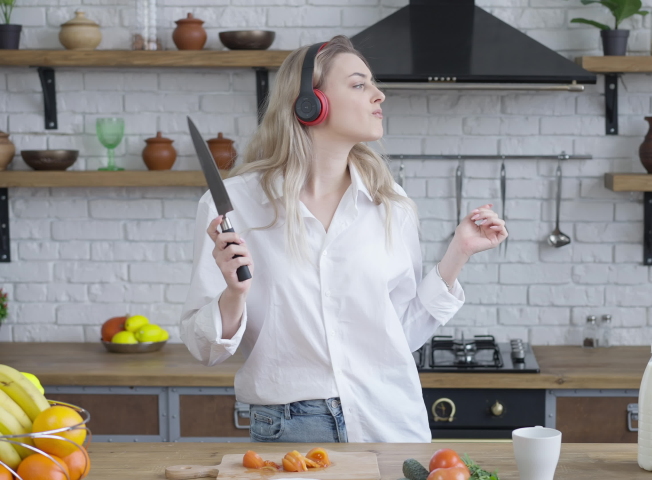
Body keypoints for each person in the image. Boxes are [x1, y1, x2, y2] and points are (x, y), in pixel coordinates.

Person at [180, 35, 508, 443]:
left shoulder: (393, 203)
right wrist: (233, 293)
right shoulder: (232, 207)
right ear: (310, 104)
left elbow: (399, 335)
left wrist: (458, 253)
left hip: (390, 420)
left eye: (373, 84)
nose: (379, 95)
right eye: (359, 84)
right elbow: (205, 349)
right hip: (293, 428)